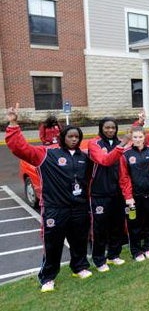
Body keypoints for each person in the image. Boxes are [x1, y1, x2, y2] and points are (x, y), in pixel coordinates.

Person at [5, 104, 92, 292]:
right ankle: (47, 277)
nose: (74, 139)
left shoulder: (84, 157)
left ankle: (79, 267)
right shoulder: (46, 154)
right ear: (62, 137)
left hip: (78, 207)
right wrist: (13, 123)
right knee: (53, 245)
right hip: (55, 209)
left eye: (77, 137)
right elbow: (20, 148)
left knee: (79, 240)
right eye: (70, 136)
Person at [88, 117, 131, 272]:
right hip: (100, 193)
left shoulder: (119, 143)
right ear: (101, 128)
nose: (110, 130)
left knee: (117, 226)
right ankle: (99, 260)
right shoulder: (94, 143)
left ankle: (114, 255)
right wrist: (121, 145)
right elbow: (104, 160)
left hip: (117, 193)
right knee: (100, 228)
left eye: (113, 127)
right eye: (107, 127)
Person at [119, 127, 149, 262]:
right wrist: (128, 196)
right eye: (135, 137)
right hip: (135, 197)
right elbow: (124, 177)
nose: (138, 139)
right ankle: (136, 251)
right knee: (134, 225)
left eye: (140, 137)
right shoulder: (126, 154)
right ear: (131, 138)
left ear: (145, 137)